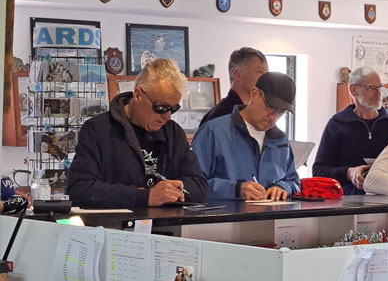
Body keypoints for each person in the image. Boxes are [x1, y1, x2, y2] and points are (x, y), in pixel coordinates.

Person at [66, 59, 208, 208]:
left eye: (173, 109)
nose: (167, 117)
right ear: (138, 94)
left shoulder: (173, 132)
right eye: (160, 108)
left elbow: (199, 187)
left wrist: (171, 192)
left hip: (164, 229)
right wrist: (145, 196)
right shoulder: (97, 130)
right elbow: (80, 190)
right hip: (114, 228)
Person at [192, 72, 300, 201]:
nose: (273, 117)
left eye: (280, 112)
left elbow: (293, 180)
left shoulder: (280, 140)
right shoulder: (212, 132)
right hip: (223, 219)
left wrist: (282, 187)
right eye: (270, 108)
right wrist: (236, 189)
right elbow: (192, 185)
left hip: (271, 219)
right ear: (254, 94)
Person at [313, 67, 388, 195]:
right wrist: (349, 173)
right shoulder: (337, 124)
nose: (379, 93)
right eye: (372, 88)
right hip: (348, 202)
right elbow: (319, 171)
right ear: (354, 90)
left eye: (380, 88)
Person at [199, 47, 267, 126]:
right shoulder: (221, 117)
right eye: (260, 71)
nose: (265, 77)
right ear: (237, 75)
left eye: (266, 73)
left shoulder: (256, 115)